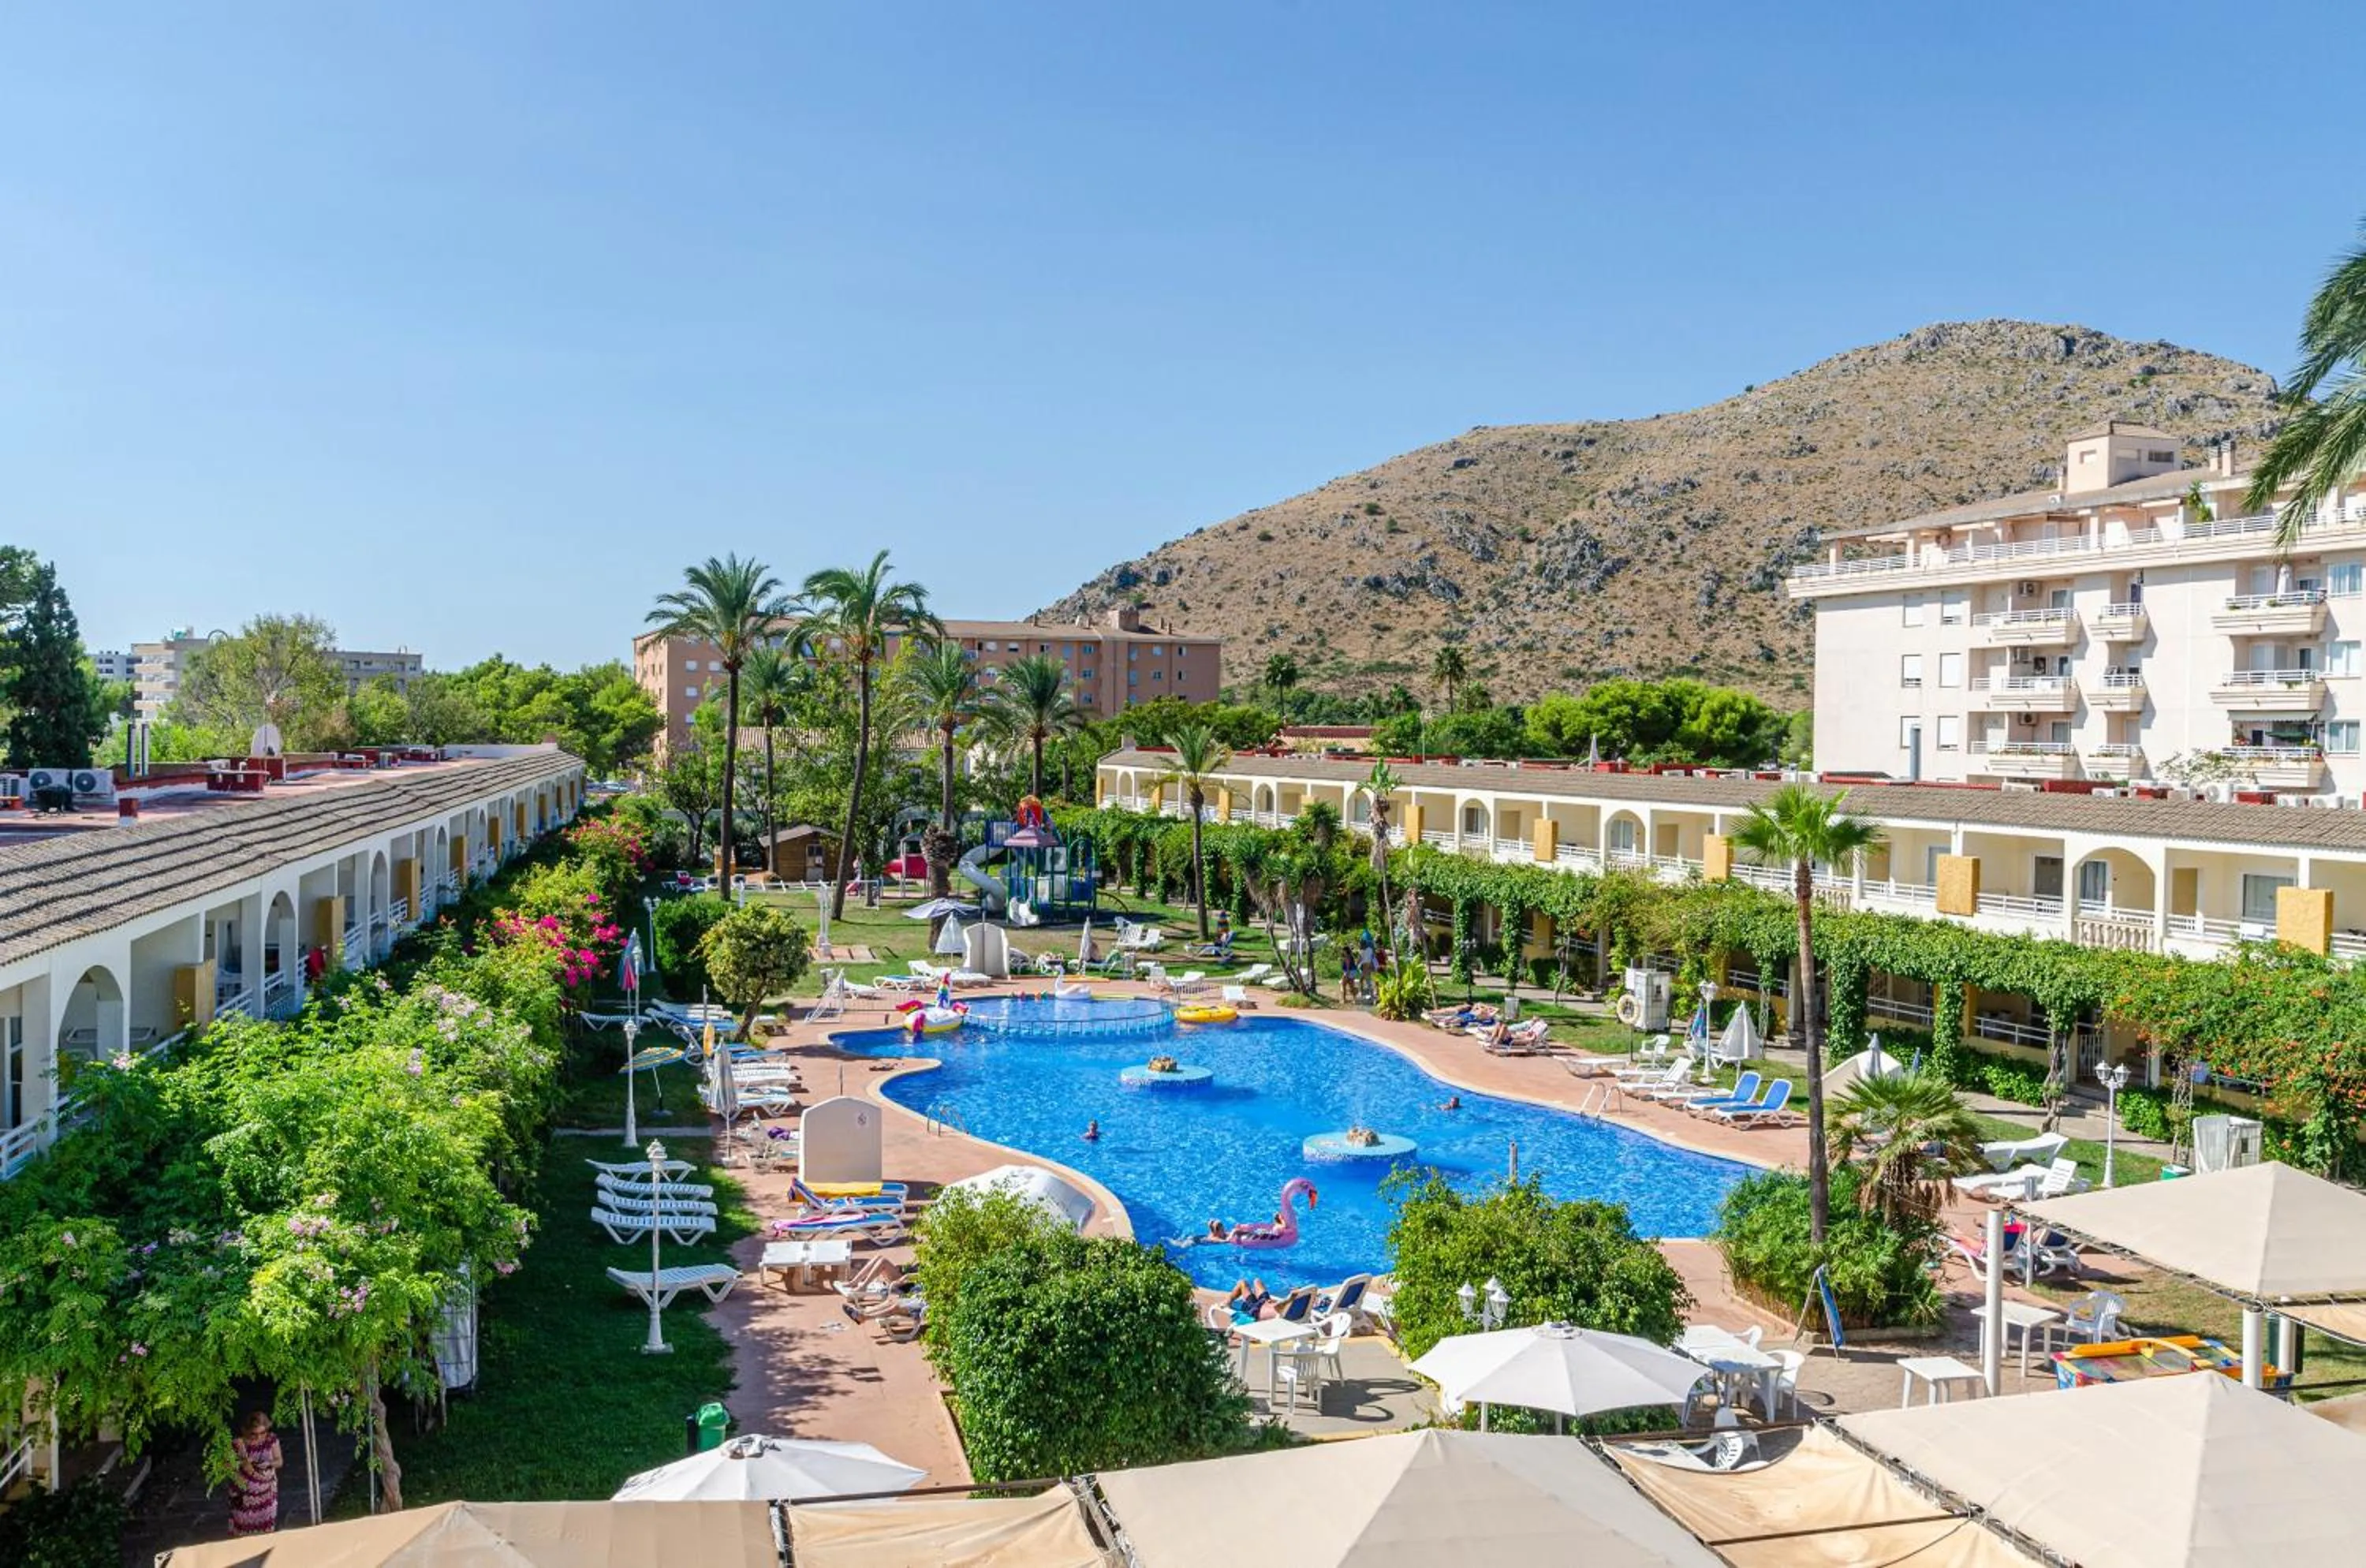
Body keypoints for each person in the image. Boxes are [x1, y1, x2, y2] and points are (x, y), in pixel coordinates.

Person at [227, 1410, 282, 1536]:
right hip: (243, 1497)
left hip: (266, 1494)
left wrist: (263, 1464)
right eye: (254, 1434)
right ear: (245, 1431)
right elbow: (225, 1466)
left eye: (263, 1433)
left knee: (266, 1531)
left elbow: (279, 1461)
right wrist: (242, 1463)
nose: (259, 1437)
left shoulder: (271, 1440)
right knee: (243, 1532)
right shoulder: (238, 1445)